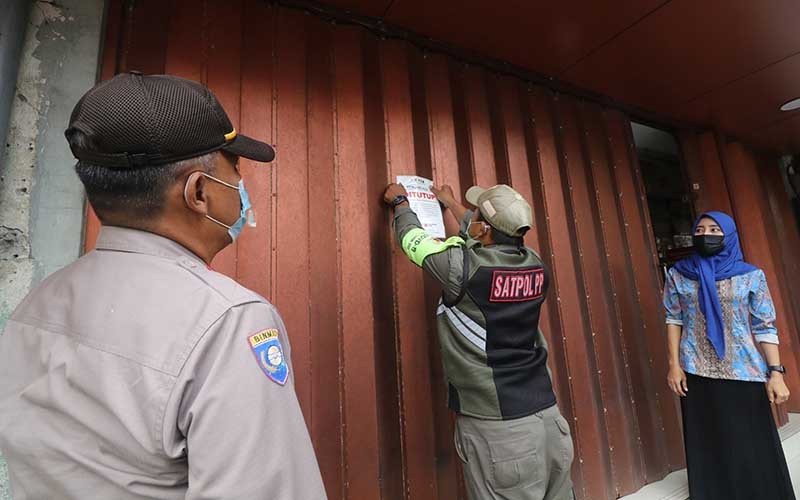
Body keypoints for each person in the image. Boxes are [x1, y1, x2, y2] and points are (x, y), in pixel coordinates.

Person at [0, 72, 327, 500]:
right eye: (236, 169)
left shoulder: (34, 307)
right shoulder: (227, 323)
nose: (243, 187)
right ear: (198, 193)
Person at [384, 182, 574, 500]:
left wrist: (400, 202)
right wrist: (451, 203)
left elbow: (412, 240)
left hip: (501, 431)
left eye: (475, 217)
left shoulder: (462, 268)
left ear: (484, 229)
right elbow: (485, 235)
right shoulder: (536, 264)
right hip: (549, 422)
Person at [663, 211, 794, 500]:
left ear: (729, 235)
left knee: (750, 443)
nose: (705, 235)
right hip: (695, 369)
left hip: (743, 371)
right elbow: (673, 318)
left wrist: (776, 373)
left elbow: (764, 325)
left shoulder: (751, 275)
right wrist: (674, 365)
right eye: (700, 229)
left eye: (714, 229)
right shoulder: (679, 274)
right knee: (707, 441)